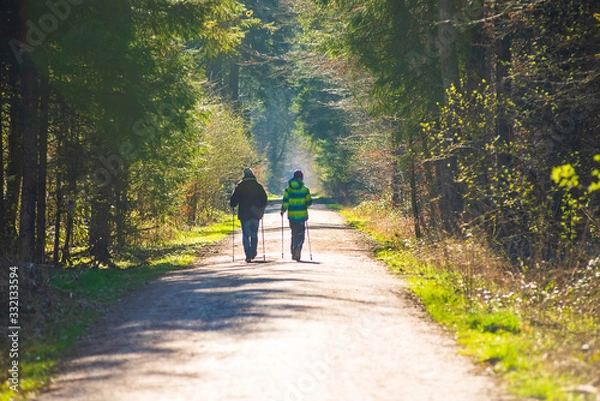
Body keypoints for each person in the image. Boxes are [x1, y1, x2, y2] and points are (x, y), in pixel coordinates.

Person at [230, 168, 268, 263]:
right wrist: (261, 209)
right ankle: (253, 251)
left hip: (244, 213)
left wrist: (233, 205)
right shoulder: (258, 186)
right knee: (254, 233)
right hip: (255, 213)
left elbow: (233, 200)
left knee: (246, 234)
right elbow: (264, 199)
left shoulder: (240, 186)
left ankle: (248, 254)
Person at [281, 169, 312, 261]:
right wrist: (304, 205)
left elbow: (285, 202)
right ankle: (298, 248)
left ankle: (293, 251)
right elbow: (309, 202)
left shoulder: (288, 190)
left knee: (294, 233)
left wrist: (282, 211)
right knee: (301, 234)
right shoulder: (305, 189)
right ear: (301, 177)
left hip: (292, 215)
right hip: (302, 215)